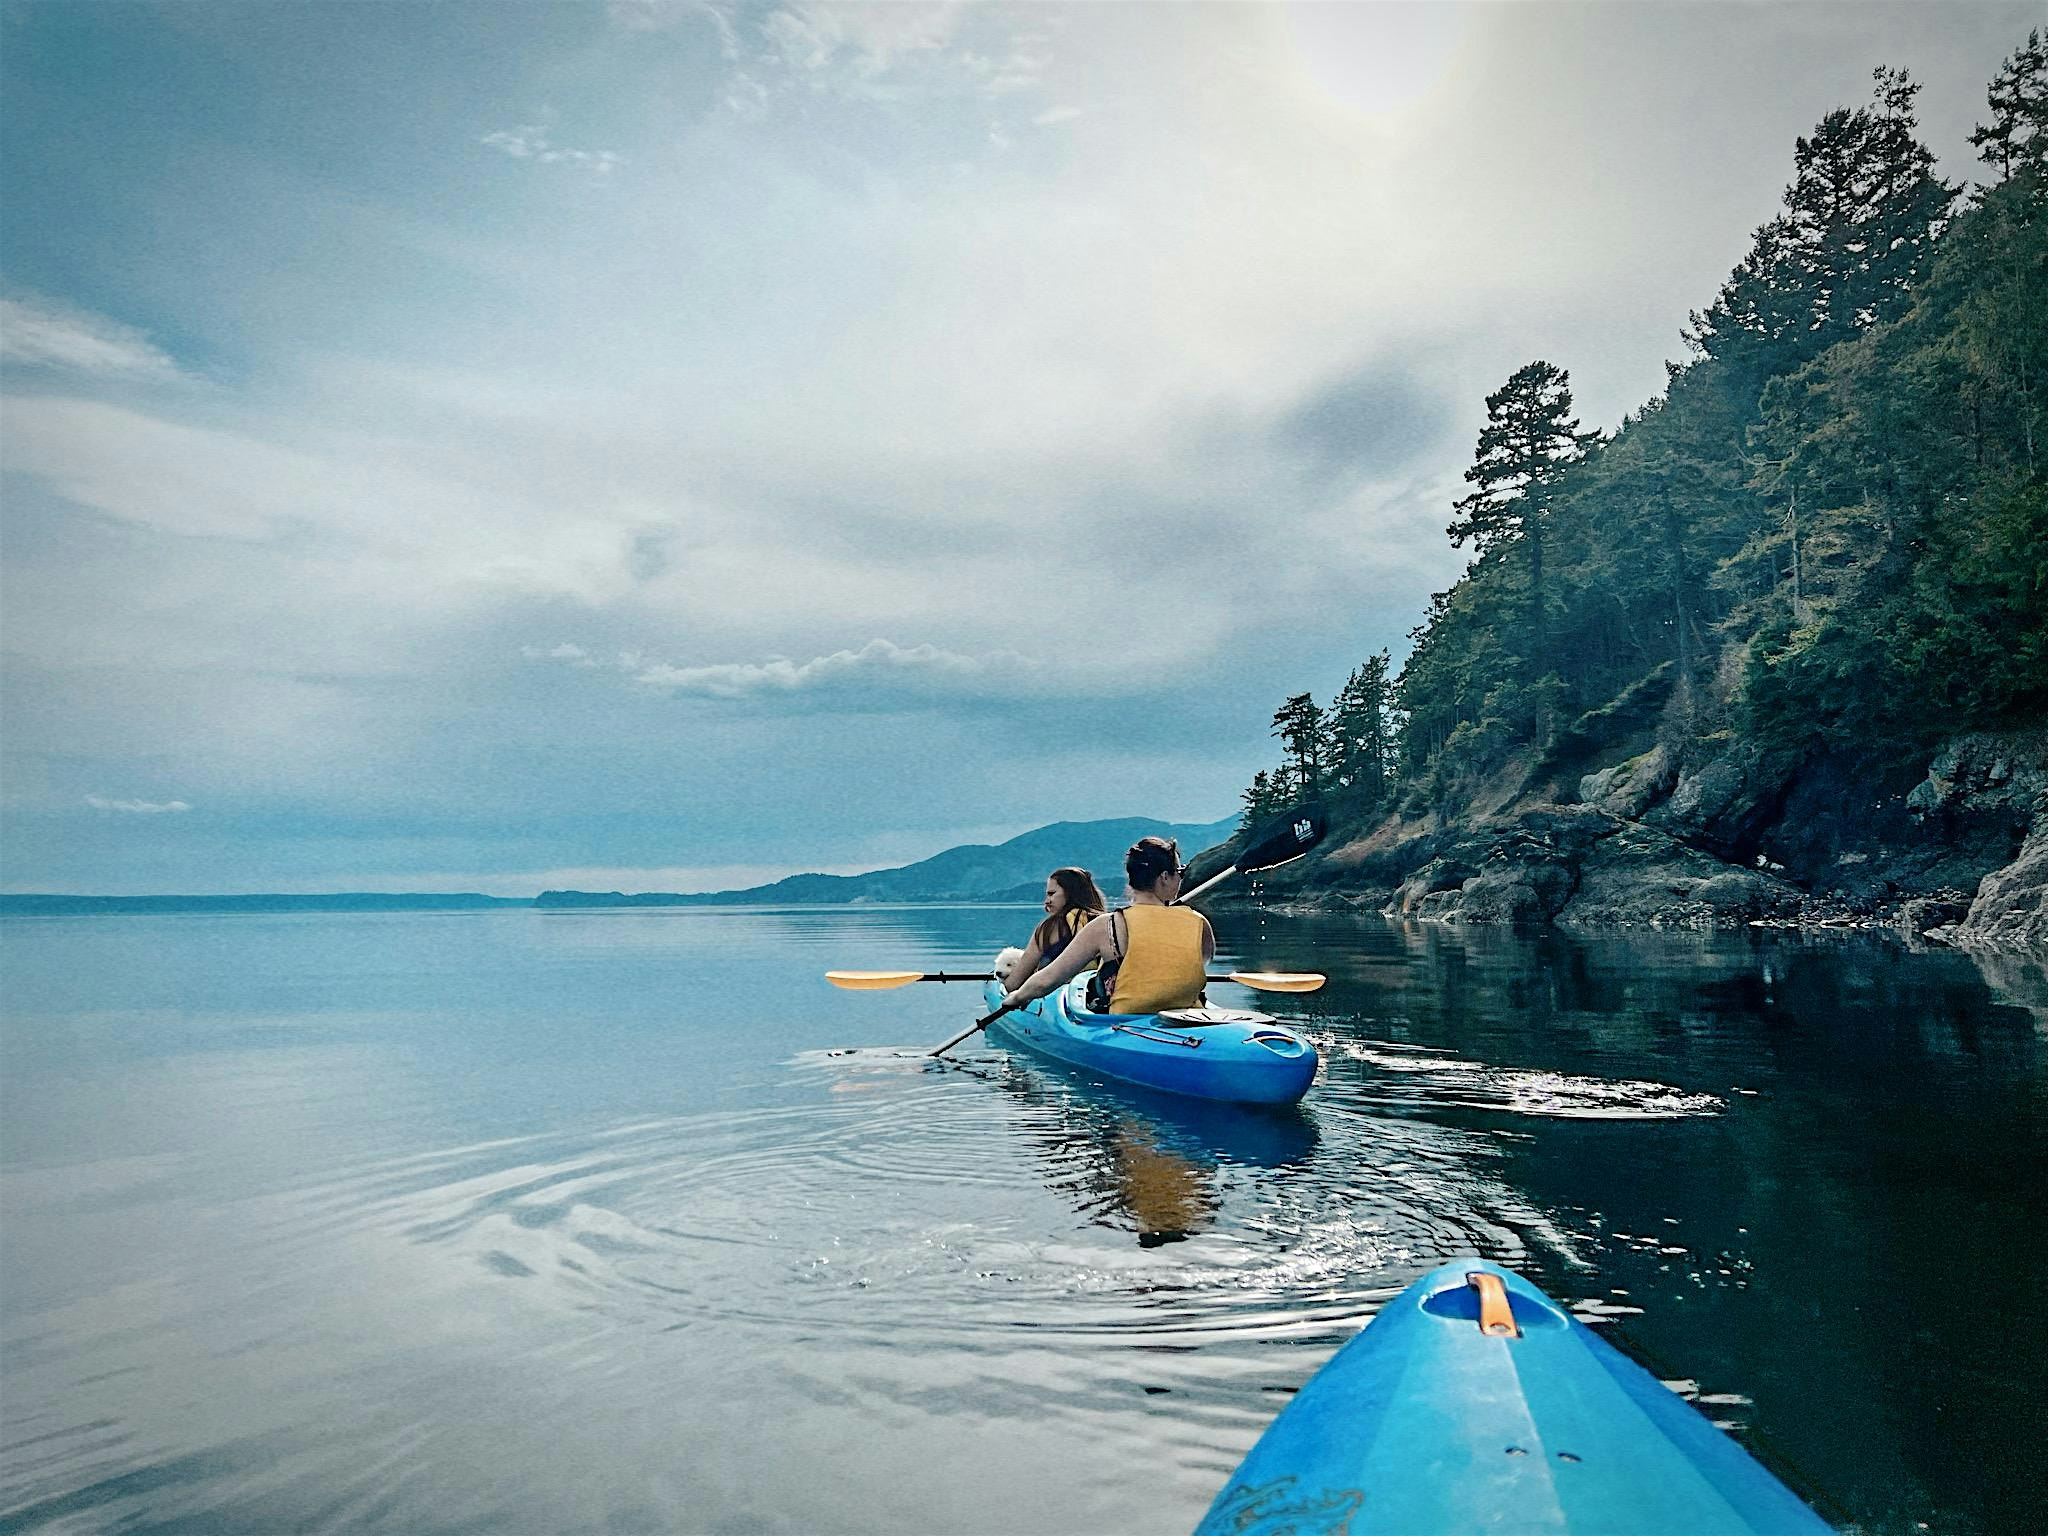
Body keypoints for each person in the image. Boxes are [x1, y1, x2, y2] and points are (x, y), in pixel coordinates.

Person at [1001, 836, 1214, 1015]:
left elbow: (1048, 979)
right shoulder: (1199, 922)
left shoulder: (1107, 925)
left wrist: (1017, 997)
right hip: (1187, 1017)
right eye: (1180, 872)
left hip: (1124, 1021)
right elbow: (1196, 963)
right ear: (1165, 877)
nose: (1181, 878)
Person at [1000, 867, 1107, 987]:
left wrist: (1002, 986)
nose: (1046, 901)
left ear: (1070, 892)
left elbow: (1014, 983)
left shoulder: (1048, 929)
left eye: (1051, 894)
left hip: (1054, 998)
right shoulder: (1106, 923)